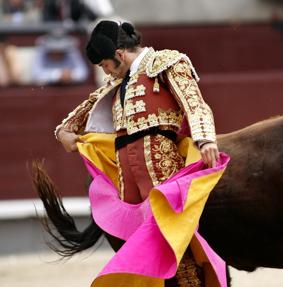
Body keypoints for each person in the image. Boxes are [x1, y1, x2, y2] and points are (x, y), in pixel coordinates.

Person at [54, 20, 220, 286]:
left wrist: (205, 139)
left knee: (171, 234)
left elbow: (194, 102)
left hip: (160, 161)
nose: (105, 70)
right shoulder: (114, 84)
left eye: (105, 64)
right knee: (139, 243)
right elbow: (72, 121)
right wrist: (64, 134)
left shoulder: (165, 62)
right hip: (127, 170)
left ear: (119, 54)